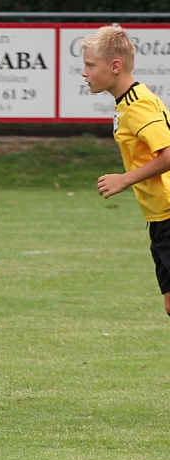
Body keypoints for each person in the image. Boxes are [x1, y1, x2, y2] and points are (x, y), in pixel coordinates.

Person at [89, 26, 170, 315]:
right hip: (160, 215)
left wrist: (125, 179)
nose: (84, 73)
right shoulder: (129, 102)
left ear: (115, 66)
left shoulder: (137, 106)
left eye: (90, 65)